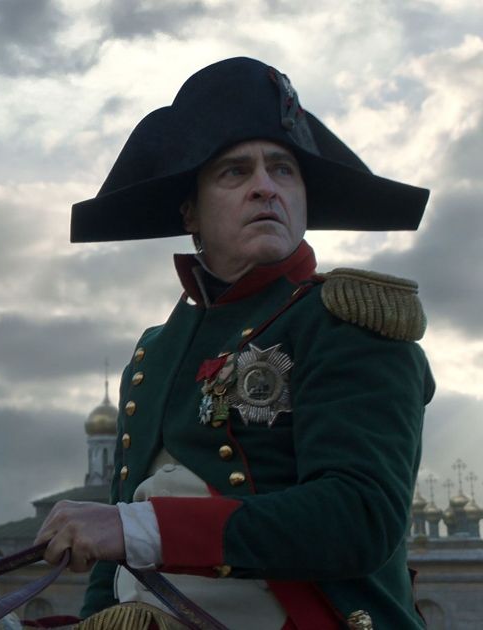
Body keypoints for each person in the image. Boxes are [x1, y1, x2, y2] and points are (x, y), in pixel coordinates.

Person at [34, 57, 434, 629]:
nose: (265, 187)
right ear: (190, 211)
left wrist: (136, 529)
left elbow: (359, 518)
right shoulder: (155, 351)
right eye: (235, 172)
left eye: (283, 170)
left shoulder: (346, 322)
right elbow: (111, 561)